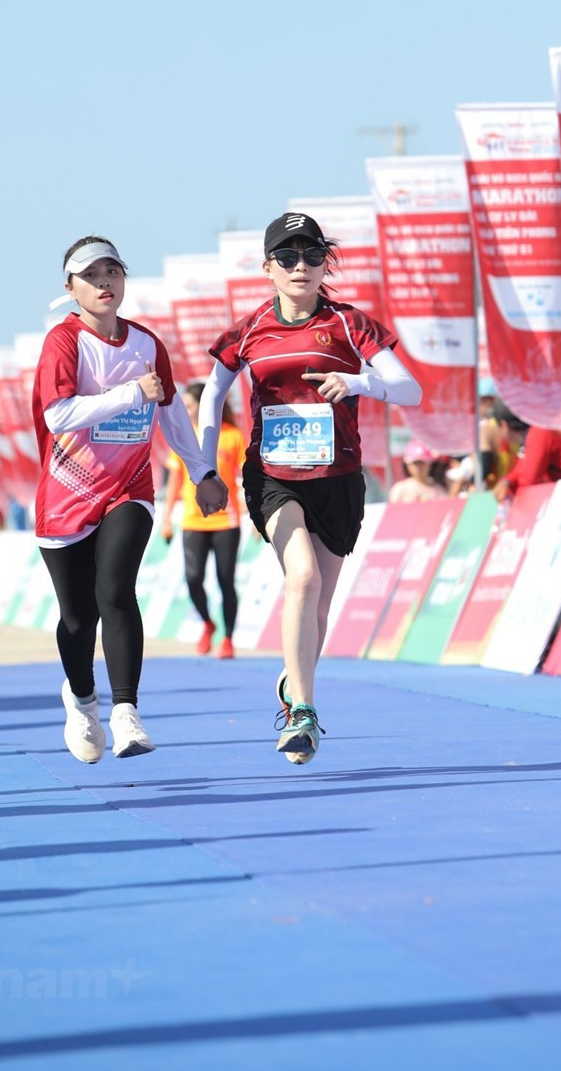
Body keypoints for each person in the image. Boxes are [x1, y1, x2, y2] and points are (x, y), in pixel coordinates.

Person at [198, 212, 422, 764]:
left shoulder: (349, 325)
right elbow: (210, 398)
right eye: (289, 257)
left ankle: (292, 679)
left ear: (327, 264)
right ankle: (302, 713)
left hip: (339, 477)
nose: (301, 267)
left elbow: (410, 389)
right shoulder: (249, 329)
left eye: (313, 256)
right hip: (273, 474)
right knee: (301, 577)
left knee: (318, 600)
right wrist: (206, 470)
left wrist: (358, 381)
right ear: (268, 266)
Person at [34, 235, 227, 765]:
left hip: (129, 488)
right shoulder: (63, 342)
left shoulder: (147, 344)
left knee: (115, 591)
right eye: (90, 275)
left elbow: (170, 413)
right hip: (67, 492)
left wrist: (201, 470)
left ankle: (126, 713)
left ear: (123, 279)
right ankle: (80, 698)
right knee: (77, 618)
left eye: (111, 272)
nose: (103, 283)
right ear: (70, 288)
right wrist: (127, 395)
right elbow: (58, 416)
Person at [160, 384, 246, 657]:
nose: (186, 410)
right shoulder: (184, 438)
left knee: (225, 579)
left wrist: (254, 514)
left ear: (204, 405)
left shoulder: (232, 436)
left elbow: (245, 479)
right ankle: (207, 623)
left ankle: (228, 639)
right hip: (192, 521)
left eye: (190, 405)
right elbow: (174, 480)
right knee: (194, 578)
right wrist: (166, 518)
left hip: (226, 521)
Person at [494, 422, 561, 500]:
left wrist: (509, 487)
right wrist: (507, 481)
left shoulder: (541, 430)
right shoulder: (540, 429)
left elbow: (528, 481)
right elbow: (522, 469)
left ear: (504, 425)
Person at [388, 438, 449, 503]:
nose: (419, 467)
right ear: (407, 465)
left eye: (422, 463)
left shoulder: (439, 490)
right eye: (415, 463)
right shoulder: (400, 489)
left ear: (430, 464)